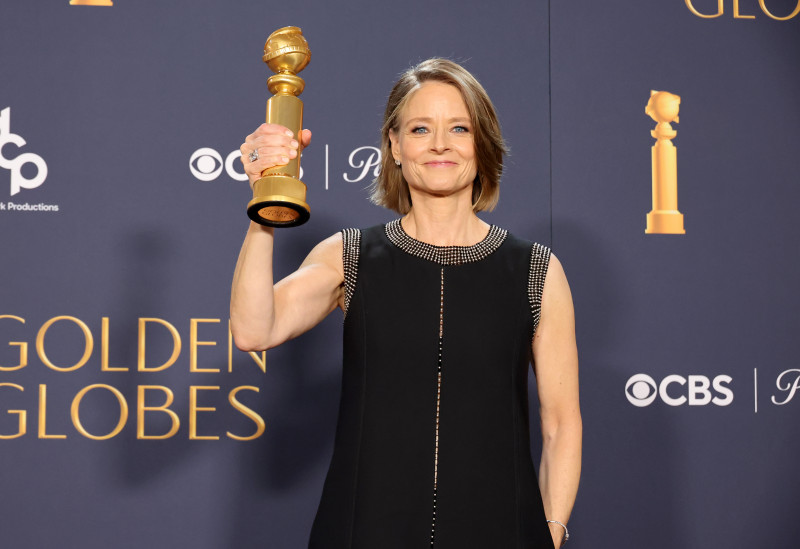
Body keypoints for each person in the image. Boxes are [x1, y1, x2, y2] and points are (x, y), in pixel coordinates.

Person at [230, 58, 581, 549]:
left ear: (482, 144)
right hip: (363, 531)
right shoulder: (349, 256)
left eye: (459, 128)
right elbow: (253, 330)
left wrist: (551, 531)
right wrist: (263, 208)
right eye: (420, 128)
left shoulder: (536, 270)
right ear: (395, 146)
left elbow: (561, 423)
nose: (440, 144)